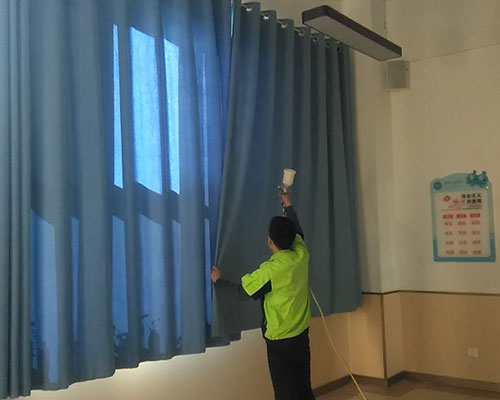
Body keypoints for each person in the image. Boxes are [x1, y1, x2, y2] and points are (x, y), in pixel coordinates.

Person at [210, 191, 314, 400]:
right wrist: (288, 205)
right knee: (303, 385)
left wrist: (218, 280)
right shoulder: (301, 254)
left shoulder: (270, 271)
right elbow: (298, 230)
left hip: (280, 340)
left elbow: (242, 292)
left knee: (285, 392)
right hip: (301, 335)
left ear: (269, 241)